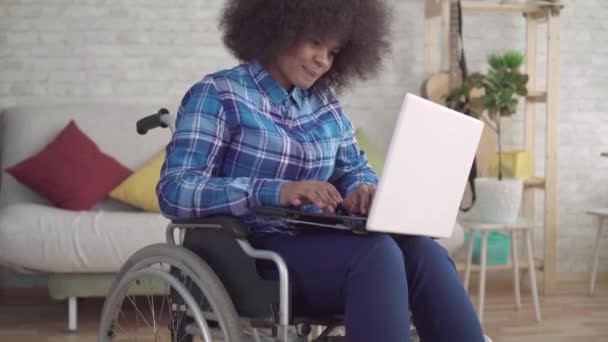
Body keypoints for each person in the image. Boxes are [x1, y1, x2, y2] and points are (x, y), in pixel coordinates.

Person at [157, 0, 488, 341]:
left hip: (320, 242)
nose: (323, 61)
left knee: (424, 252)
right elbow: (175, 190)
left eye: (333, 51)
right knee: (377, 255)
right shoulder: (218, 94)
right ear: (278, 29)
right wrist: (278, 190)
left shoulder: (324, 103)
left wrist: (364, 190)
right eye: (315, 43)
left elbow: (354, 168)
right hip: (250, 253)